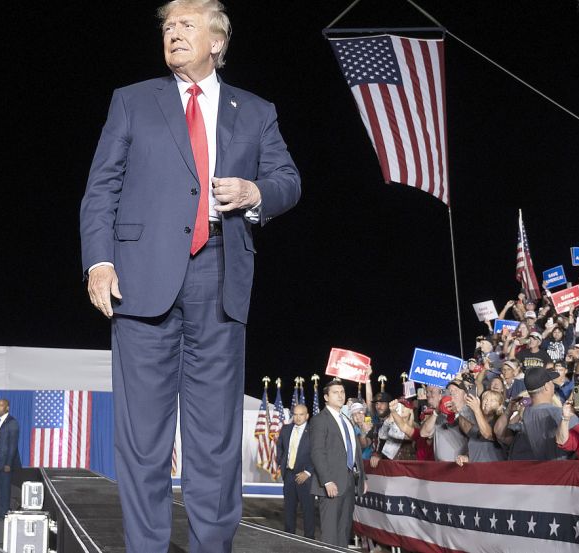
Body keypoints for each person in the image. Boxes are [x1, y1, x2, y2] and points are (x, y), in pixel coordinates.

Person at [78, 1, 300, 551]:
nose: (173, 34)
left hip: (221, 282)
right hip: (140, 283)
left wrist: (255, 194)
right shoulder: (131, 102)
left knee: (215, 444)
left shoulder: (256, 111)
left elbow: (287, 179)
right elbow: (100, 188)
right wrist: (99, 262)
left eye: (186, 26)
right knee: (143, 442)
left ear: (217, 42)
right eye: (167, 27)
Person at [310, 380, 367, 547]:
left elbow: (355, 451)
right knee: (330, 532)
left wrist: (363, 478)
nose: (340, 395)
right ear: (326, 397)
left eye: (342, 392)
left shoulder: (347, 421)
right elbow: (317, 452)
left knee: (344, 529)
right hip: (331, 484)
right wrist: (327, 480)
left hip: (348, 483)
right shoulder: (320, 420)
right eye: (335, 392)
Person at [495, 366, 576, 460]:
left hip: (525, 472)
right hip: (556, 472)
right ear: (546, 387)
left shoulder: (524, 415)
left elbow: (499, 432)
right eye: (551, 382)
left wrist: (508, 411)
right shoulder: (561, 414)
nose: (553, 385)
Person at [275, 404, 314, 539]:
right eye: (295, 414)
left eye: (301, 414)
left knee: (308, 510)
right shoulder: (286, 429)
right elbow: (279, 447)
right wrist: (281, 463)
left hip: (305, 476)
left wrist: (308, 472)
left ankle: (310, 540)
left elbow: (318, 454)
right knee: (289, 510)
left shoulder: (313, 431)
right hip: (289, 474)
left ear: (307, 416)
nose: (297, 417)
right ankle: (289, 538)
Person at [0, 398, 20, 517]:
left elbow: (13, 445)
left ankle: (5, 514)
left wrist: (8, 463)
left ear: (7, 408)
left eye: (1, 405)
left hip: (5, 464)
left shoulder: (12, 422)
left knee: (5, 490)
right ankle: (2, 512)